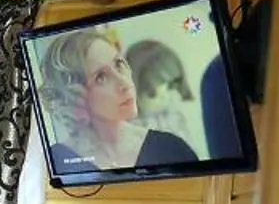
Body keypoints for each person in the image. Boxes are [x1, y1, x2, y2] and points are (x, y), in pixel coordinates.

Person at [38, 25, 199, 173]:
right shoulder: (57, 160)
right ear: (74, 94)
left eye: (119, 64)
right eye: (101, 77)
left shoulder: (171, 148)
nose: (125, 83)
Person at [126, 38, 202, 156]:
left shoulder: (176, 118)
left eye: (171, 87)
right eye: (152, 93)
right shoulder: (129, 130)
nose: (165, 98)